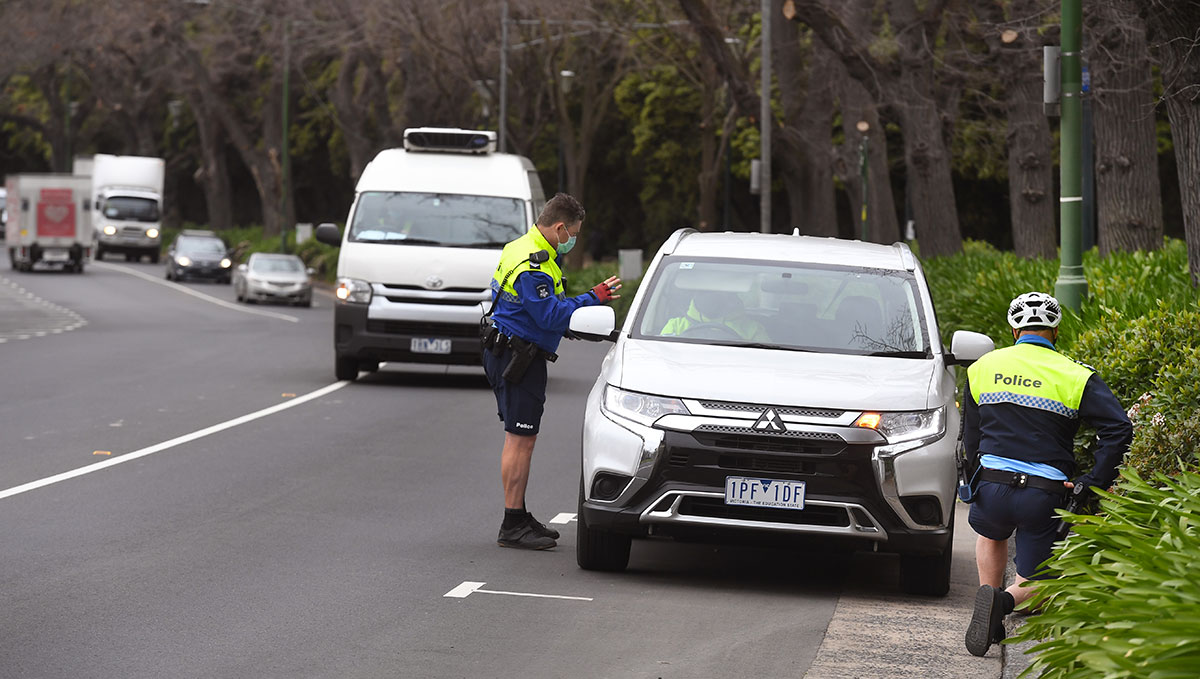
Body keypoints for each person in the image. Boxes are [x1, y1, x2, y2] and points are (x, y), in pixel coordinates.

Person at [962, 291, 1132, 657]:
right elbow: (1119, 428)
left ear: (1014, 330)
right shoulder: (1076, 375)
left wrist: (977, 476)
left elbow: (971, 437)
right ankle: (1003, 604)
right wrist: (1093, 481)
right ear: (1055, 331)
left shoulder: (983, 367)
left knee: (990, 534)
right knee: (1040, 586)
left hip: (992, 485)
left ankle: (990, 608)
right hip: (1043, 494)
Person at [481, 193, 621, 550]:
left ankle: (518, 513)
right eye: (573, 233)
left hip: (509, 350)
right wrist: (593, 298)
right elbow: (551, 316)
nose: (572, 240)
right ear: (560, 228)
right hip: (517, 357)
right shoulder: (533, 265)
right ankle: (512, 523)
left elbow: (548, 309)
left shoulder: (521, 246)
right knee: (520, 438)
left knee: (521, 438)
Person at [660, 291, 770, 342]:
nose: (712, 297)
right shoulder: (675, 325)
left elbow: (764, 359)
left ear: (730, 298)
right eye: (706, 292)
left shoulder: (752, 329)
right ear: (696, 295)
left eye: (719, 293)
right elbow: (663, 354)